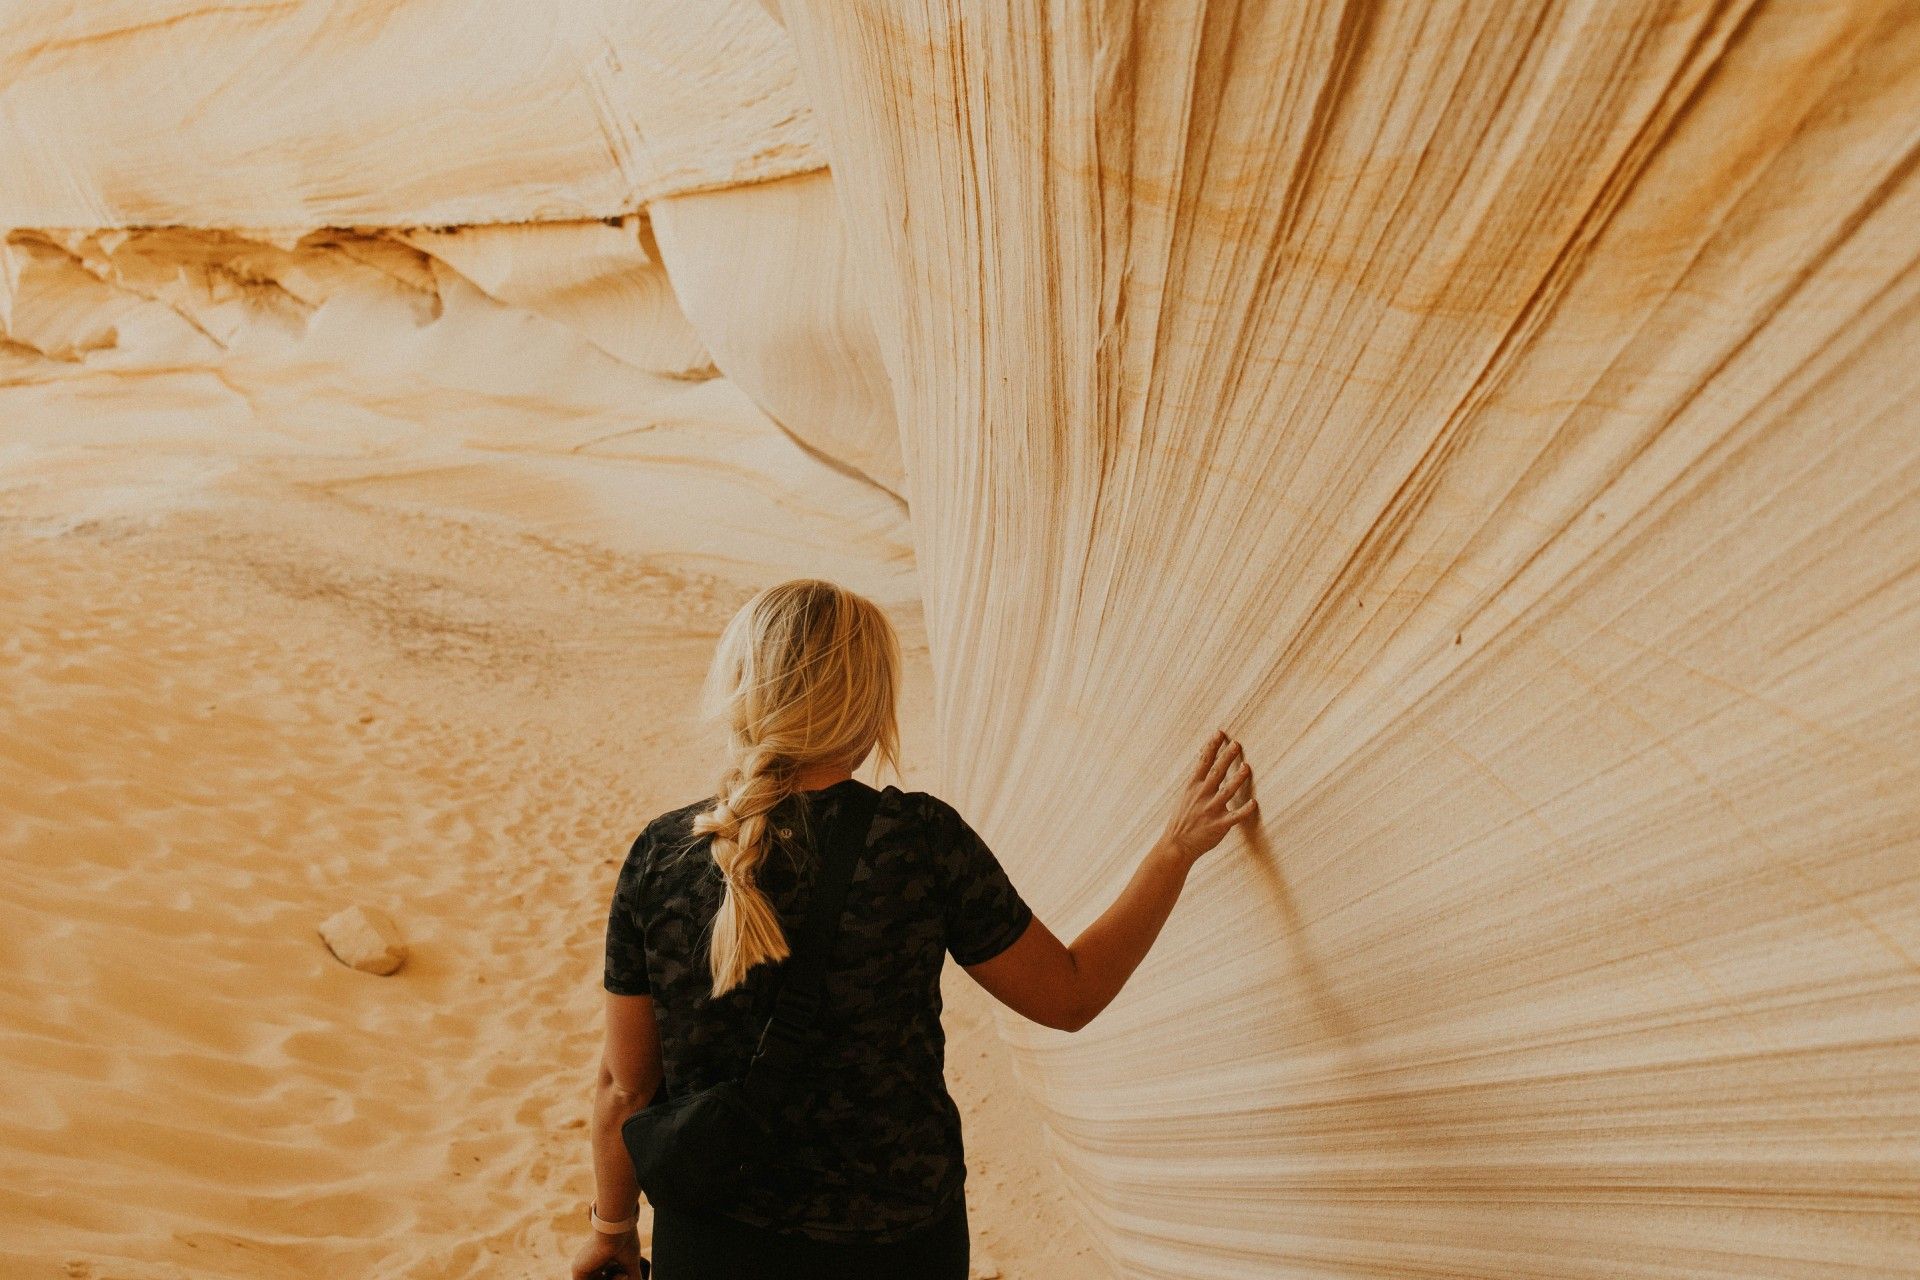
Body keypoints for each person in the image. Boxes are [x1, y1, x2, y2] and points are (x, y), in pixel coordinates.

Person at [571, 579, 1257, 1280]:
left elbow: (624, 1088)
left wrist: (615, 1229)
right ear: (867, 702)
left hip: (714, 1242)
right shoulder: (921, 841)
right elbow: (1070, 996)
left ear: (742, 688)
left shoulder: (661, 854)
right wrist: (1175, 850)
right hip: (896, 1244)